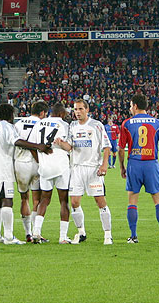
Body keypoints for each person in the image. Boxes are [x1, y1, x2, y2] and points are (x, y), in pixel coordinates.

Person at [0, 103, 51, 245]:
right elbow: (17, 141)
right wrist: (37, 146)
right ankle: (9, 237)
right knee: (7, 200)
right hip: (3, 167)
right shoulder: (7, 126)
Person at [118, 94, 159, 243]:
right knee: (158, 199)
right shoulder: (158, 123)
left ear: (135, 106)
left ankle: (133, 236)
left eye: (131, 106)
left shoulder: (126, 123)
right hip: (151, 164)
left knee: (132, 200)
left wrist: (122, 166)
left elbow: (121, 149)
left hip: (134, 164)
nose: (130, 109)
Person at [57, 100, 113, 245]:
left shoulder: (96, 125)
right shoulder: (72, 126)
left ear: (87, 110)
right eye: (75, 109)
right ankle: (81, 232)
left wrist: (104, 165)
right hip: (76, 168)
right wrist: (61, 143)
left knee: (100, 201)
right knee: (74, 202)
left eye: (80, 109)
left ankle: (108, 235)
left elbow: (107, 147)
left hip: (93, 169)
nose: (77, 112)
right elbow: (70, 147)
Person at [29, 102, 72, 244]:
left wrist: (39, 161)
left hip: (45, 166)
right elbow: (69, 146)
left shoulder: (39, 124)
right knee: (64, 201)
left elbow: (32, 146)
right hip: (60, 165)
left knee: (44, 200)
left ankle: (36, 231)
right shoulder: (64, 125)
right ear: (61, 114)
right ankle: (63, 237)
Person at [14, 101, 48, 242]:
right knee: (37, 199)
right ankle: (36, 232)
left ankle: (28, 233)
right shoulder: (42, 124)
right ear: (42, 113)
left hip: (20, 164)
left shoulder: (18, 124)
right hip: (36, 164)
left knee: (24, 198)